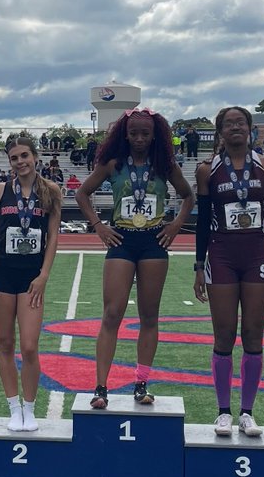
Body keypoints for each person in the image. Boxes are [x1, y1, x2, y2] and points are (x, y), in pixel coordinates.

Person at [76, 108, 194, 407]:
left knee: (149, 316)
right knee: (112, 314)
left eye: (145, 133)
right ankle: (101, 387)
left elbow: (188, 196)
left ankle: (141, 383)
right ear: (124, 135)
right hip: (122, 240)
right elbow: (82, 194)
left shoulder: (164, 166)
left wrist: (176, 224)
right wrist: (98, 226)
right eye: (133, 133)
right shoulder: (113, 164)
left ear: (155, 135)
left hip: (154, 241)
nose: (139, 138)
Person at [192, 106, 264, 433]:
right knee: (223, 334)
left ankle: (247, 411)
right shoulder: (208, 170)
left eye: (241, 122)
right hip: (221, 254)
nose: (235, 127)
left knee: (252, 333)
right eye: (229, 123)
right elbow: (204, 220)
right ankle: (223, 411)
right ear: (220, 131)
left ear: (250, 128)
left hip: (257, 254)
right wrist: (198, 265)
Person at [0, 138, 63, 431]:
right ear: (10, 162)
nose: (20, 161)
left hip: (32, 278)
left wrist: (44, 275)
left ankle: (30, 407)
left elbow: (53, 237)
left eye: (25, 155)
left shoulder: (51, 191)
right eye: (14, 157)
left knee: (29, 346)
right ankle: (13, 407)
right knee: (5, 343)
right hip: (2, 274)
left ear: (36, 156)